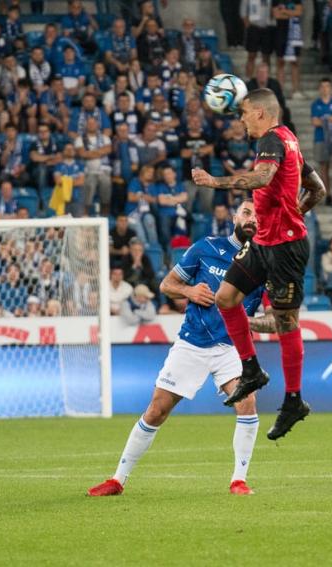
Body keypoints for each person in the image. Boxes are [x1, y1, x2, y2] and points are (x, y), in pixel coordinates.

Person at [87, 201, 265, 496]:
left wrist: (255, 322)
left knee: (247, 403)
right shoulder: (206, 247)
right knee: (157, 410)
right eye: (247, 213)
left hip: (231, 347)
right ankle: (118, 479)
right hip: (192, 343)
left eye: (258, 216)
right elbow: (167, 285)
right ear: (235, 216)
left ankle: (239, 480)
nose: (252, 219)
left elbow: (269, 309)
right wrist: (190, 291)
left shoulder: (263, 262)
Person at [191, 88, 326, 440]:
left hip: (285, 250)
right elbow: (318, 190)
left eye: (245, 113)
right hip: (264, 243)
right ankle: (251, 369)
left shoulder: (271, 140)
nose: (241, 119)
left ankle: (294, 400)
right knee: (226, 297)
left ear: (263, 114)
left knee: (285, 321)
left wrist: (215, 181)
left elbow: (263, 178)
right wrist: (296, 210)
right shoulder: (289, 141)